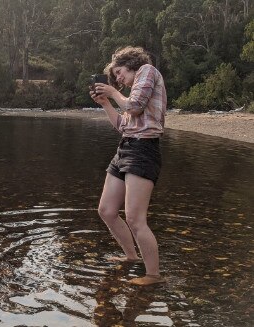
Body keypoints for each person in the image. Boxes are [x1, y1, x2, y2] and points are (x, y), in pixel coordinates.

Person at [90, 46, 166, 286]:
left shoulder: (147, 70)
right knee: (107, 211)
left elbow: (134, 107)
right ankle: (132, 258)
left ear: (131, 64)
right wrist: (105, 103)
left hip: (144, 149)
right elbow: (123, 125)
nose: (119, 78)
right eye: (116, 76)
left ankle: (153, 276)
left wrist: (113, 92)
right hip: (126, 148)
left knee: (135, 219)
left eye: (120, 72)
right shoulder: (132, 91)